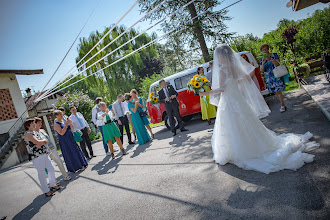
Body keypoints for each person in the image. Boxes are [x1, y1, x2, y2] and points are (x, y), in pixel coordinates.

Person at [199, 44, 319, 174]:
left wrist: (204, 93)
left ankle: (238, 150)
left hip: (228, 101)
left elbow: (222, 89)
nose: (217, 58)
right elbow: (242, 79)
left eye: (217, 55)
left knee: (232, 125)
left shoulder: (222, 70)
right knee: (246, 123)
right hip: (238, 100)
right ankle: (254, 145)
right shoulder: (233, 67)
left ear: (222, 56)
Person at [24, 119, 62, 197]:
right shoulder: (27, 134)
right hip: (37, 156)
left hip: (44, 153)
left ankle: (53, 184)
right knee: (42, 173)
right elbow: (38, 142)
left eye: (34, 123)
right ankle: (46, 191)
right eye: (32, 123)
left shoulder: (35, 132)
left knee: (51, 169)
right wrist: (41, 142)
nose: (34, 124)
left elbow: (45, 141)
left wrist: (42, 142)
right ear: (28, 126)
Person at [260, 43, 287, 112]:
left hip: (276, 74)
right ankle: (282, 104)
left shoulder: (274, 55)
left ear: (268, 49)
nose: (264, 51)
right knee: (275, 92)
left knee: (278, 90)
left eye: (265, 49)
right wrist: (263, 63)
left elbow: (278, 64)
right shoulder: (262, 59)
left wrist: (271, 60)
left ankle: (282, 105)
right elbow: (261, 70)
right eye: (263, 50)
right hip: (269, 77)